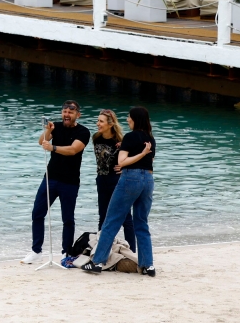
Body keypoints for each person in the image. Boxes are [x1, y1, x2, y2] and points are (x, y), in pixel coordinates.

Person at [83, 106, 157, 276]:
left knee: (111, 221)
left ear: (136, 119)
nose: (127, 120)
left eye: (129, 117)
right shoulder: (150, 138)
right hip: (148, 180)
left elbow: (122, 161)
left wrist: (137, 155)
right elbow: (150, 160)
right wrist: (144, 153)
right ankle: (148, 265)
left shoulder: (130, 137)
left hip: (131, 178)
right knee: (142, 223)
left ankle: (97, 262)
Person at [21, 100, 90, 264]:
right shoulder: (57, 127)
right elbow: (41, 141)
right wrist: (48, 130)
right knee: (37, 213)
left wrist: (53, 148)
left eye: (70, 112)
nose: (67, 115)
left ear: (77, 114)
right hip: (50, 178)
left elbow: (73, 149)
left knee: (67, 219)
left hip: (70, 181)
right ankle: (36, 251)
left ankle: (66, 252)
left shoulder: (83, 132)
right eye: (65, 112)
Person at [92, 109, 136, 252]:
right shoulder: (96, 138)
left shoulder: (121, 141)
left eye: (101, 121)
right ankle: (102, 251)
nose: (98, 123)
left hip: (117, 180)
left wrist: (125, 168)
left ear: (110, 124)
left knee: (125, 218)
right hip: (101, 180)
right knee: (103, 217)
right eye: (98, 120)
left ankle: (132, 252)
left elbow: (138, 158)